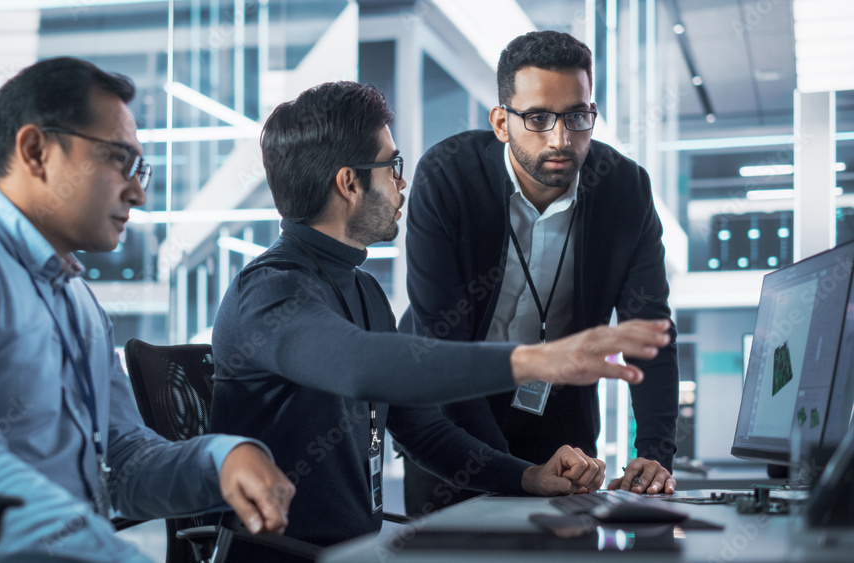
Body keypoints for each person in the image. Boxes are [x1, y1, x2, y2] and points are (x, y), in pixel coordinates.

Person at [0, 57, 294, 563]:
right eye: (119, 160)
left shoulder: (78, 302)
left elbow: (124, 463)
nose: (139, 191)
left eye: (141, 168)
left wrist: (222, 460)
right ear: (36, 150)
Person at [209, 80, 672, 552]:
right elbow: (361, 366)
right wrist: (536, 361)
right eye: (392, 166)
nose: (402, 181)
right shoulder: (269, 289)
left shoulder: (362, 290)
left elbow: (421, 429)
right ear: (349, 184)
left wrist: (529, 476)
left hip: (355, 551)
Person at [398, 30, 679, 516]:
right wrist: (516, 474)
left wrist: (653, 454)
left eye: (577, 116)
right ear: (502, 122)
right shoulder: (447, 176)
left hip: (562, 422)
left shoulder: (625, 189)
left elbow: (650, 332)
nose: (561, 138)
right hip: (451, 415)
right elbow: (443, 345)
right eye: (538, 118)